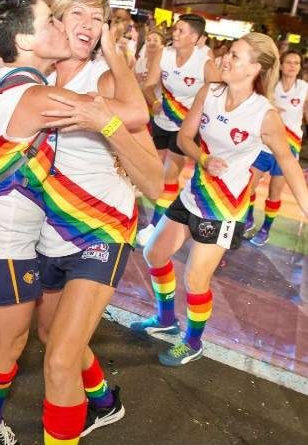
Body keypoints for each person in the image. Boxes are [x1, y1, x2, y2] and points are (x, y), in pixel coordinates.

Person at [0, 0, 161, 445]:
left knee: (60, 358)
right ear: (53, 26)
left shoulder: (103, 81)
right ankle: (103, 400)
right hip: (48, 233)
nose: (88, 23)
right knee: (45, 331)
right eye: (76, 13)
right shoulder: (35, 84)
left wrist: (114, 72)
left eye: (98, 17)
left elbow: (155, 177)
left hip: (101, 230)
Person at [130, 33, 308, 366]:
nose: (225, 58)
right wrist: (203, 159)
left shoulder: (264, 115)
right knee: (154, 253)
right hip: (193, 194)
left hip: (226, 209)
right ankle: (166, 320)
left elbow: (287, 163)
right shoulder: (208, 92)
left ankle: (193, 341)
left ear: (255, 68)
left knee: (195, 278)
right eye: (228, 53)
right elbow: (184, 137)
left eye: (235, 56)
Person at [136, 14, 221, 247]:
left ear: (194, 37)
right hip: (162, 120)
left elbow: (219, 94)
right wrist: (152, 100)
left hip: (186, 128)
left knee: (169, 175)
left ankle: (154, 226)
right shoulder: (164, 54)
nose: (175, 33)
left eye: (181, 31)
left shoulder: (205, 63)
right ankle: (162, 214)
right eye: (175, 29)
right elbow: (149, 84)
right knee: (153, 170)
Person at [245, 49, 308, 245]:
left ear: (299, 68)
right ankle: (247, 219)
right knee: (248, 186)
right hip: (264, 144)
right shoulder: (270, 86)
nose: (291, 66)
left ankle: (265, 229)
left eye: (296, 63)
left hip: (288, 147)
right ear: (281, 65)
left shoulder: (304, 88)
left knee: (275, 192)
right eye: (288, 62)